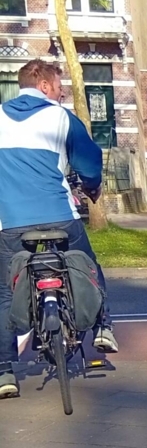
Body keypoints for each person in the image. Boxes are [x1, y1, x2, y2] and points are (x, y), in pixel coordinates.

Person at [0, 60, 117, 400]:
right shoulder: (60, 117)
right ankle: (104, 328)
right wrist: (92, 188)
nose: (63, 92)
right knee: (89, 267)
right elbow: (89, 164)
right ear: (45, 86)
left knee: (4, 293)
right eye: (59, 86)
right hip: (58, 215)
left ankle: (5, 372)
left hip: (9, 222)